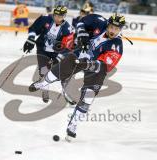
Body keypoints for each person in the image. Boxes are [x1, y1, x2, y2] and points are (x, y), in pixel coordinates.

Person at [28, 13, 126, 142]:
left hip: (96, 68)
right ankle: (44, 83)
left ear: (120, 29)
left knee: (88, 98)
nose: (113, 31)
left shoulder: (117, 45)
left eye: (117, 29)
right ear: (107, 24)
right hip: (82, 54)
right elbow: (81, 22)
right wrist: (82, 33)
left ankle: (73, 124)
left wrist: (88, 64)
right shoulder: (99, 21)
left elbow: (105, 67)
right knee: (62, 66)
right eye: (112, 27)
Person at [23, 5, 76, 104]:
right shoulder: (45, 19)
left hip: (56, 53)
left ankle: (66, 92)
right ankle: (45, 89)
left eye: (60, 16)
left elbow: (68, 47)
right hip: (42, 50)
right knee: (43, 71)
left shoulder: (68, 29)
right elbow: (33, 28)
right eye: (55, 15)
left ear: (64, 16)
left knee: (63, 73)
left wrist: (59, 58)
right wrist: (30, 40)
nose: (57, 18)